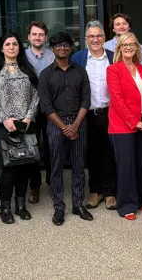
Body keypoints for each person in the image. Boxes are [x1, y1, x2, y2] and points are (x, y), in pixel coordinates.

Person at [0, 32, 40, 224]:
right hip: (4, 126)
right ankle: (5, 207)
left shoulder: (27, 68)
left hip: (25, 124)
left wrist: (28, 117)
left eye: (15, 44)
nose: (11, 47)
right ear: (1, 48)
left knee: (24, 165)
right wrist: (4, 119)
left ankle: (21, 205)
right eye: (7, 44)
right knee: (9, 167)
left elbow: (36, 96)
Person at [39, 32, 94, 226]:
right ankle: (59, 206)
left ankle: (78, 204)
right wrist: (64, 127)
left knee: (79, 166)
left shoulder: (80, 71)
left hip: (79, 123)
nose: (62, 48)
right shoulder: (46, 74)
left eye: (66, 45)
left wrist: (76, 125)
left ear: (71, 48)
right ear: (52, 49)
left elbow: (86, 99)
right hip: (56, 125)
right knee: (56, 167)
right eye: (58, 45)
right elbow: (45, 105)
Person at [72, 20, 118, 210]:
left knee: (110, 153)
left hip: (110, 112)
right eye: (91, 36)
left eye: (98, 36)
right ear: (85, 39)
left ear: (104, 38)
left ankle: (110, 193)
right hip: (87, 113)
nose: (95, 39)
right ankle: (95, 192)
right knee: (91, 154)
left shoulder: (114, 56)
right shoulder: (78, 58)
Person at [107, 32, 142, 220]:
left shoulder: (141, 69)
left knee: (140, 164)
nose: (128, 47)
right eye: (124, 45)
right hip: (122, 126)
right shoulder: (113, 69)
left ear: (137, 47)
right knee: (126, 166)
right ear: (119, 48)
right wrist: (135, 122)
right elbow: (117, 101)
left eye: (132, 44)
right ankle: (126, 205)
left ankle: (139, 199)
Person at [24, 20, 53, 204]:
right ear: (29, 37)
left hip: (50, 108)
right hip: (29, 110)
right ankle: (34, 186)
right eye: (34, 34)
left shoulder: (52, 55)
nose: (37, 37)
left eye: (41, 34)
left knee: (52, 147)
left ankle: (52, 182)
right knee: (32, 148)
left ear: (46, 37)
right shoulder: (22, 56)